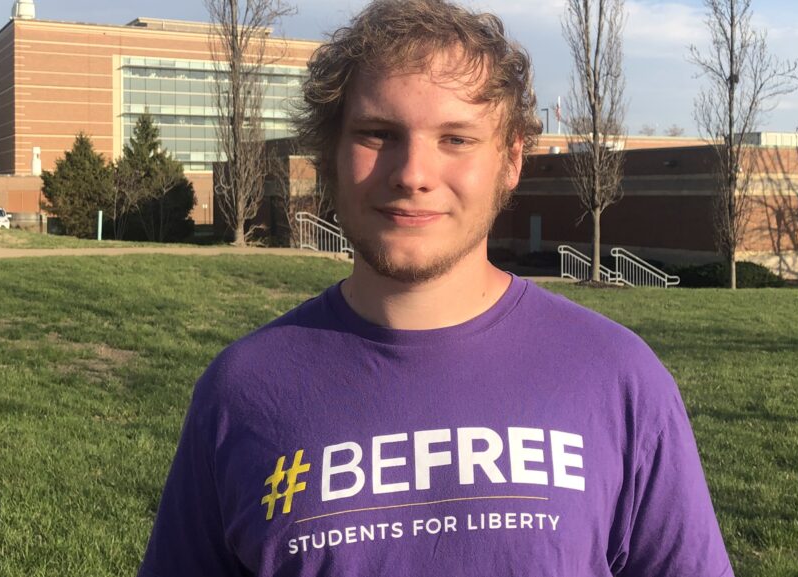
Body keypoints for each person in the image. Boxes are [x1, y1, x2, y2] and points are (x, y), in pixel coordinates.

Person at [137, 0, 734, 575]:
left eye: (456, 138)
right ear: (330, 156)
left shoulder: (619, 379)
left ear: (511, 159)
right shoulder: (241, 392)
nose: (414, 175)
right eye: (378, 134)